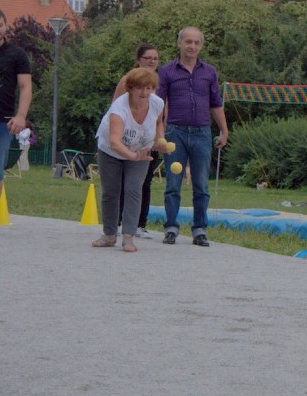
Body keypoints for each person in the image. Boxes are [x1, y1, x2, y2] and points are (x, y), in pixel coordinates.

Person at [156, 27, 228, 247]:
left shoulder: (209, 72)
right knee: (173, 183)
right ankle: (171, 228)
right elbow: (158, 104)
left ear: (201, 46)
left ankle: (199, 230)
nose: (192, 46)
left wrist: (224, 130)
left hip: (202, 133)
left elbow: (216, 103)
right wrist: (159, 133)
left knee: (201, 185)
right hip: (175, 132)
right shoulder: (166, 71)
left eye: (197, 43)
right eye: (188, 42)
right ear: (179, 43)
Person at [93, 67, 165, 252]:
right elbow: (115, 142)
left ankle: (128, 237)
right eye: (140, 88)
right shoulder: (119, 108)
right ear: (130, 88)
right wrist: (133, 156)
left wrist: (159, 139)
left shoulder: (157, 103)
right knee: (111, 191)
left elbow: (158, 122)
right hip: (111, 151)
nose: (145, 93)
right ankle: (109, 235)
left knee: (134, 189)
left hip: (141, 148)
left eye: (149, 88)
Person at [0, 8, 32, 236]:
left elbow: (25, 87)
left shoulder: (17, 55)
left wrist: (21, 115)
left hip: (2, 123)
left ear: (5, 26)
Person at [114, 44, 161, 239]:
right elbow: (115, 107)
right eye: (148, 58)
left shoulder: (156, 82)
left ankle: (140, 224)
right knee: (125, 182)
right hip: (127, 138)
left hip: (147, 139)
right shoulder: (128, 79)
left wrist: (159, 138)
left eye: (155, 59)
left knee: (145, 182)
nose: (152, 61)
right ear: (139, 59)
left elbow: (159, 115)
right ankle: (118, 222)